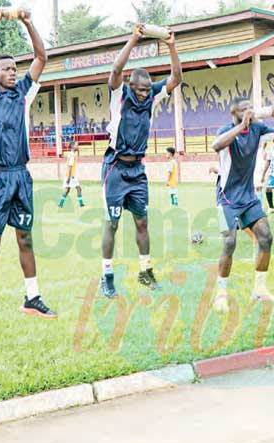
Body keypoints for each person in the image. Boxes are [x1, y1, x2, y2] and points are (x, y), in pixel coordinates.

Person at [0, 7, 55, 331]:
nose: (13, 72)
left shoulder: (24, 94)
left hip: (21, 175)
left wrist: (29, 23)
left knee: (26, 239)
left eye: (15, 68)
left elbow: (41, 56)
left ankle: (32, 297)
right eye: (6, 68)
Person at [98, 25, 182, 298]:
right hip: (115, 166)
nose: (145, 93)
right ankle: (106, 275)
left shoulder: (152, 96)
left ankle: (145, 272)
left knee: (142, 222)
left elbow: (176, 78)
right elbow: (115, 71)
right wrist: (134, 39)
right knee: (112, 223)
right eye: (141, 90)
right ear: (131, 86)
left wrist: (171, 45)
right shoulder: (120, 95)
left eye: (148, 89)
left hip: (137, 169)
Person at [210, 99, 274, 312]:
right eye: (243, 109)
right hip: (226, 197)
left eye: (250, 108)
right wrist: (241, 126)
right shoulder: (226, 130)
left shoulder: (258, 129)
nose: (248, 111)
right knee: (229, 242)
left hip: (248, 196)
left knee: (266, 236)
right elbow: (217, 145)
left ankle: (259, 290)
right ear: (233, 112)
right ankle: (220, 294)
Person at [58, 142, 84, 208]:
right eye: (76, 145)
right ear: (72, 147)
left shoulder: (72, 154)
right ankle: (60, 204)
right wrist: (69, 178)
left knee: (77, 189)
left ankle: (81, 204)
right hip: (70, 176)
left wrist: (78, 150)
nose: (78, 146)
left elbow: (77, 155)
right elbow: (70, 166)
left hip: (72, 175)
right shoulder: (72, 156)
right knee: (68, 190)